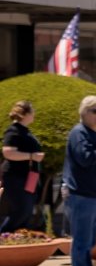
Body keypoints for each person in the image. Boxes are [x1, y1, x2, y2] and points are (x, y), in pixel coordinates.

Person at [61, 95, 96, 266]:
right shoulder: (80, 133)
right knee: (82, 243)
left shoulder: (91, 133)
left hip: (92, 195)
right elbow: (85, 158)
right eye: (95, 111)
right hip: (81, 195)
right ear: (84, 112)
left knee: (88, 242)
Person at [2, 99, 45, 232]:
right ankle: (3, 237)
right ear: (24, 114)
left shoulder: (25, 131)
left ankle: (17, 242)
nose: (34, 114)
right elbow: (8, 153)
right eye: (32, 111)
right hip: (16, 177)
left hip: (29, 178)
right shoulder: (13, 131)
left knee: (26, 212)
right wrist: (32, 156)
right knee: (20, 211)